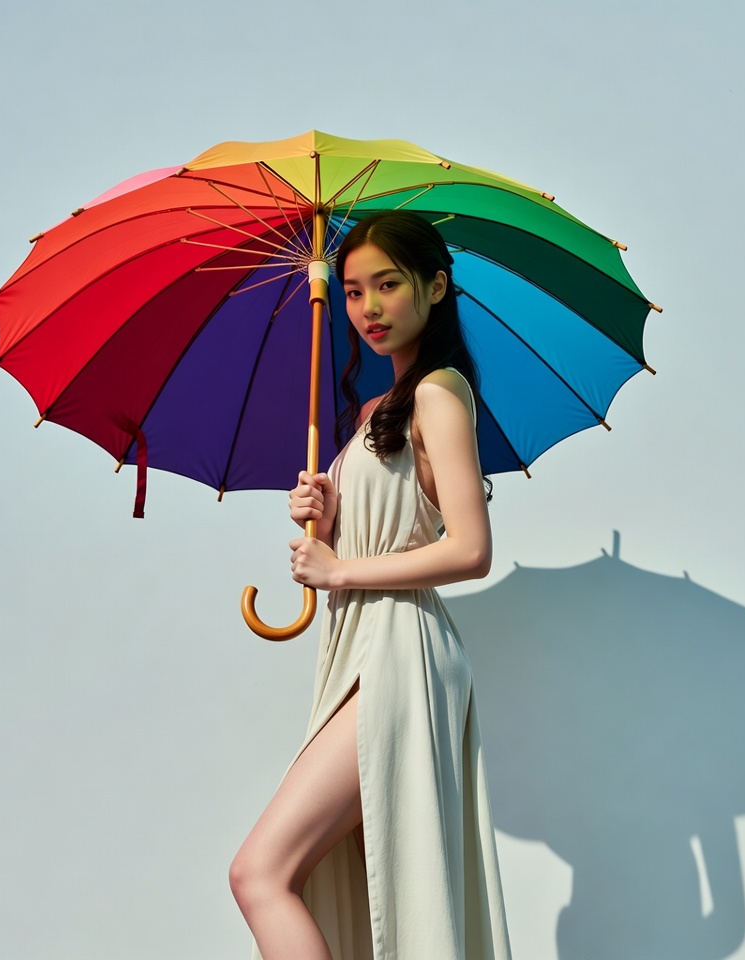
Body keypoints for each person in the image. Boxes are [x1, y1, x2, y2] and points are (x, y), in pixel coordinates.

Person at [229, 211, 512, 960]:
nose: (368, 309)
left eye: (388, 285)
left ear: (437, 286)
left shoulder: (440, 393)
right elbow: (394, 523)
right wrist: (324, 516)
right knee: (314, 874)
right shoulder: (367, 414)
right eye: (353, 291)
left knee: (261, 872)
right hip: (365, 646)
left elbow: (471, 548)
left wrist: (341, 569)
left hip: (401, 651)